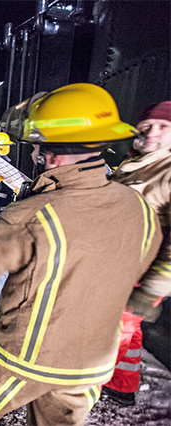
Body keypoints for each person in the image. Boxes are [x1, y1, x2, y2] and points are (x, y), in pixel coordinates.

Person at [0, 83, 163, 426]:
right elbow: (137, 263)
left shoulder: (32, 215)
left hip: (24, 358)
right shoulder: (139, 208)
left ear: (52, 155)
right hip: (91, 365)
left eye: (36, 148)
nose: (33, 155)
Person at [102, 101, 171, 406]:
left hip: (140, 275)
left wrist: (153, 289)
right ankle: (122, 386)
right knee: (128, 333)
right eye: (148, 126)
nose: (153, 132)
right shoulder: (136, 164)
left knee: (111, 334)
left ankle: (88, 385)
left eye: (163, 126)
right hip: (120, 267)